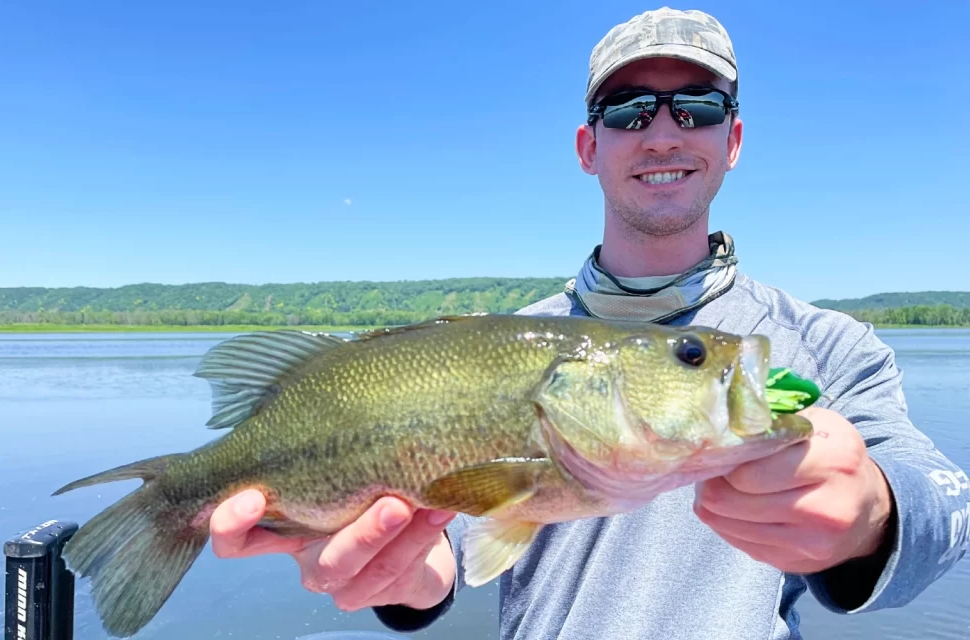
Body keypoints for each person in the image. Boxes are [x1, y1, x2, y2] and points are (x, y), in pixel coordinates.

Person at [206, 8, 969, 638]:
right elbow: (451, 545)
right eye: (629, 110)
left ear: (731, 141)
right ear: (588, 148)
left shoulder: (819, 349)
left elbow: (946, 509)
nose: (663, 133)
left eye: (697, 108)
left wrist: (874, 511)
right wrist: (396, 572)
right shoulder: (506, 344)